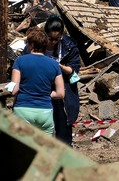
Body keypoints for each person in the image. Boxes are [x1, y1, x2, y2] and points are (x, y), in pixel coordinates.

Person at [11, 27, 65, 135]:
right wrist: (46, 93)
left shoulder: (20, 61)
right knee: (45, 150)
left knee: (22, 148)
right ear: (45, 45)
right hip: (45, 112)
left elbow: (14, 90)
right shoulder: (54, 64)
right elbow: (61, 94)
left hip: (23, 109)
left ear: (31, 45)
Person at [44, 15, 81, 145]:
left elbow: (74, 70)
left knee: (63, 126)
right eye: (50, 39)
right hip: (43, 88)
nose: (53, 42)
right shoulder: (37, 44)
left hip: (63, 90)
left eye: (57, 39)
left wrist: (58, 66)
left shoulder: (69, 46)